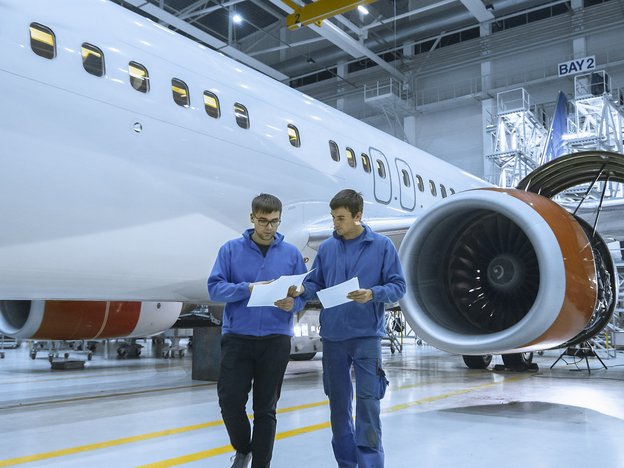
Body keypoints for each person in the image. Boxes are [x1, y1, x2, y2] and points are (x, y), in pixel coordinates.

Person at [294, 189, 406, 468]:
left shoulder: (382, 246)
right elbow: (315, 284)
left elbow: (398, 287)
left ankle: (370, 464)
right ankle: (346, 462)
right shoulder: (328, 248)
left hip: (366, 337)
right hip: (333, 338)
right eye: (333, 217)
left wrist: (373, 293)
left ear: (358, 216)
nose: (336, 223)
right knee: (338, 406)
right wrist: (300, 290)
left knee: (369, 404)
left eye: (341, 218)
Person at [208, 193, 307, 468]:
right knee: (229, 401)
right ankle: (243, 448)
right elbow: (214, 288)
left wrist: (293, 303)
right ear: (252, 218)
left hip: (276, 339)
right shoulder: (230, 250)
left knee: (266, 408)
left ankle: (261, 463)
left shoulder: (291, 254)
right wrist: (247, 288)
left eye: (274, 222)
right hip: (238, 337)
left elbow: (301, 293)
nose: (269, 228)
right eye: (263, 221)